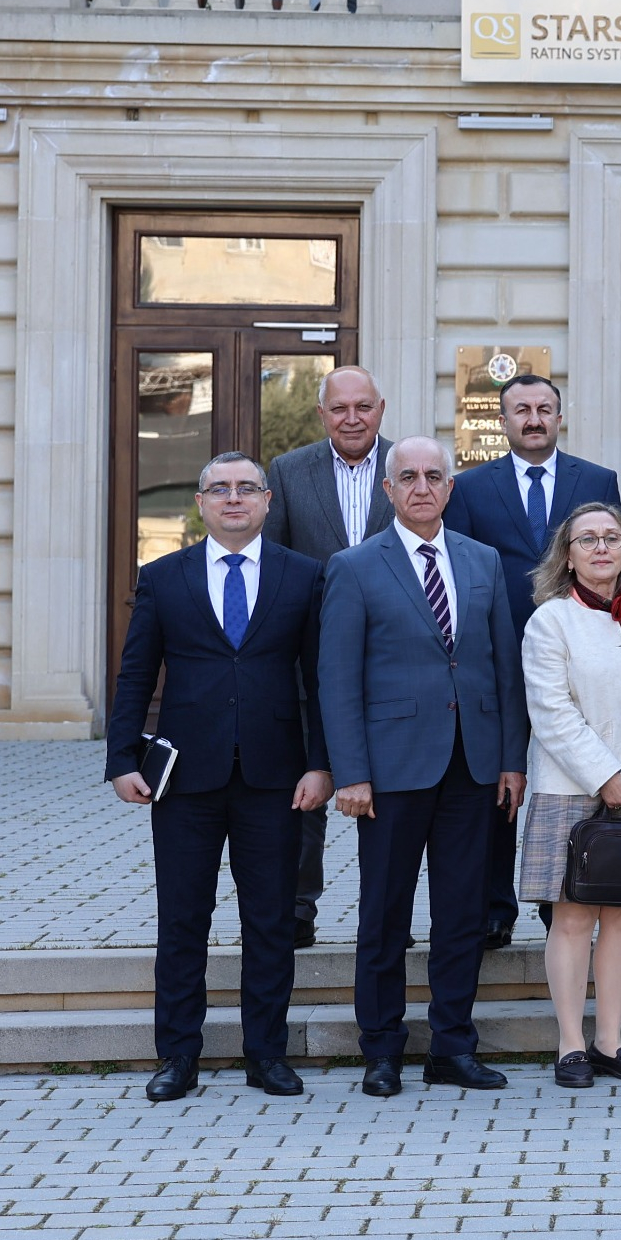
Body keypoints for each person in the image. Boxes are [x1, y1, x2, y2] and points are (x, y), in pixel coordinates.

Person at [104, 452, 330, 1102]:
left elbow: (318, 681)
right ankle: (177, 1055)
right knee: (182, 921)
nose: (234, 499)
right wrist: (121, 759)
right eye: (219, 489)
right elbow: (136, 674)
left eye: (247, 489)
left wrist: (322, 763)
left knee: (270, 922)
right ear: (200, 503)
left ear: (267, 502)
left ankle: (267, 1055)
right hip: (185, 782)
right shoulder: (163, 578)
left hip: (276, 779)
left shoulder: (302, 577)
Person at [319, 436, 527, 1098]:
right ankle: (381, 1049)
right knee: (384, 914)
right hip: (390, 771)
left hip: (472, 765)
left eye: (434, 475)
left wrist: (511, 760)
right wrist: (350, 771)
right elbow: (337, 679)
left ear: (449, 486)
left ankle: (451, 1046)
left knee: (462, 913)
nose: (421, 486)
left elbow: (503, 667)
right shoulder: (354, 567)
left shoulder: (483, 560)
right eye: (407, 476)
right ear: (387, 490)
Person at [445, 372, 621, 950]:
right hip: (497, 658)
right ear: (503, 421)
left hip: (578, 659)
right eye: (521, 409)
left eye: (544, 408)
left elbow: (612, 563)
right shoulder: (470, 488)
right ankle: (495, 908)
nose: (534, 418)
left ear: (559, 415)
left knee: (569, 783)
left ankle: (561, 905)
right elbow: (463, 573)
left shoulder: (597, 480)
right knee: (499, 783)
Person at [517, 502, 621, 1089]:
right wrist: (607, 777)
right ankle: (571, 1046)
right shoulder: (550, 621)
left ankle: (610, 1042)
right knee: (573, 919)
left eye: (613, 537)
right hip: (574, 789)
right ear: (568, 554)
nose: (602, 547)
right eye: (588, 539)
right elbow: (551, 712)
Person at [262, 364, 390, 948]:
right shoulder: (289, 473)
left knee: (389, 800)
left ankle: (384, 919)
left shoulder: (408, 467)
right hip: (309, 664)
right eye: (340, 409)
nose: (352, 418)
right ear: (322, 414)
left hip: (393, 663)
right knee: (306, 793)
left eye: (362, 407)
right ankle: (297, 912)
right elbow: (276, 568)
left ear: (380, 409)